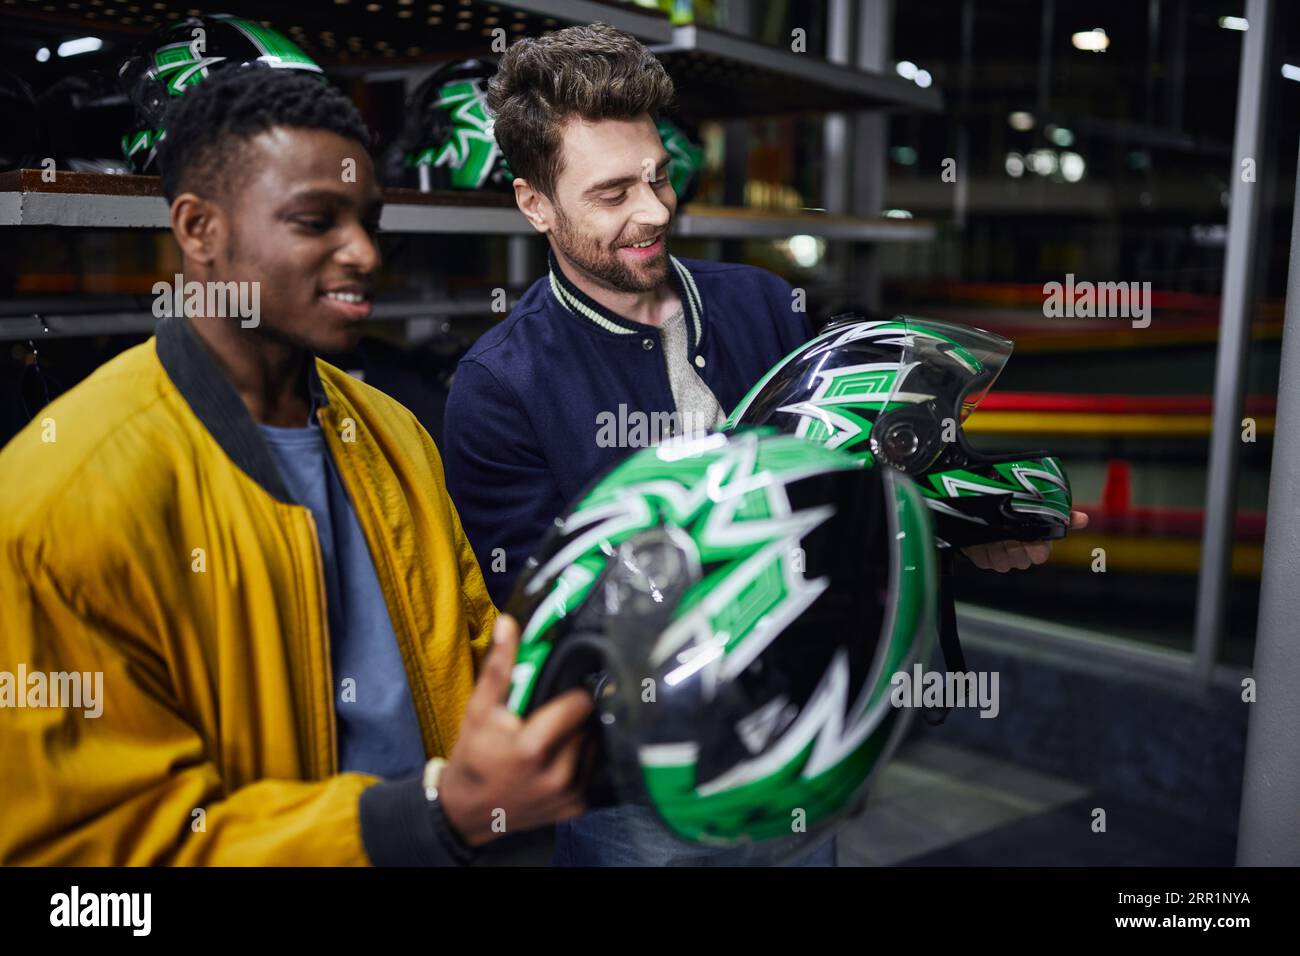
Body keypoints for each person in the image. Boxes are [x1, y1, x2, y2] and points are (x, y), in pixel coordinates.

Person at [442, 24, 1086, 866]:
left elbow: (853, 465)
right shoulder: (498, 388)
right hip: (637, 803)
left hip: (802, 756)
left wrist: (959, 521)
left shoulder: (763, 305)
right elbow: (546, 621)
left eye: (658, 177)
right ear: (535, 203)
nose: (654, 211)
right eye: (611, 194)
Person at [0, 67, 590, 866]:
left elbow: (475, 668)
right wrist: (430, 818)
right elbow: (90, 862)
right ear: (199, 228)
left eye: (368, 221)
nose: (364, 253)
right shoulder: (63, 494)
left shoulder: (396, 438)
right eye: (317, 221)